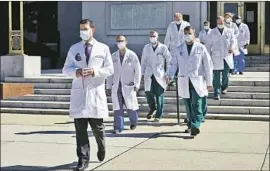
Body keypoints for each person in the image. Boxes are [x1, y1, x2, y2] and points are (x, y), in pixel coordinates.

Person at [62, 19, 114, 171]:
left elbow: (110, 69)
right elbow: (66, 69)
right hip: (79, 94)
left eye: (85, 29)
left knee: (97, 128)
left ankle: (101, 144)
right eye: (81, 29)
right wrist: (76, 72)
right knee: (80, 131)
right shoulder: (74, 48)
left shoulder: (103, 48)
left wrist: (95, 71)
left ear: (93, 30)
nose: (82, 32)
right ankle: (83, 160)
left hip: (95, 93)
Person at [167, 26, 213, 136]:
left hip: (197, 79)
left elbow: (208, 65)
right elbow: (174, 63)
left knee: (196, 104)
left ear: (194, 34)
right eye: (186, 33)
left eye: (190, 33)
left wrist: (209, 82)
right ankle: (191, 124)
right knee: (188, 105)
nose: (187, 35)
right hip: (184, 79)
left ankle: (195, 126)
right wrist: (170, 75)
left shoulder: (200, 47)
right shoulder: (179, 49)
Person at [106, 35, 141, 134]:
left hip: (129, 85)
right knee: (117, 107)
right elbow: (110, 73)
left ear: (126, 42)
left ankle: (134, 121)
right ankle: (118, 127)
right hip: (116, 86)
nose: (119, 43)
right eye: (118, 41)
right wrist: (108, 86)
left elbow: (137, 71)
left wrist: (137, 84)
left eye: (121, 41)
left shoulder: (132, 55)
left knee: (131, 106)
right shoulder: (113, 56)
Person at [141, 30, 172, 122]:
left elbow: (169, 60)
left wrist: (168, 74)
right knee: (148, 93)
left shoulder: (163, 47)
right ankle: (152, 108)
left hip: (159, 74)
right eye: (150, 36)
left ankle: (158, 114)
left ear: (157, 37)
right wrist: (142, 74)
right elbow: (143, 61)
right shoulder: (146, 47)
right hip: (148, 73)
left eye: (154, 36)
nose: (152, 37)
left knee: (159, 95)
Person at [205, 16, 236, 100]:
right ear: (217, 22)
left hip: (226, 56)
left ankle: (224, 87)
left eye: (222, 22)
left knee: (225, 74)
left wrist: (232, 48)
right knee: (216, 76)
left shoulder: (229, 31)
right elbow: (208, 45)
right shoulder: (212, 32)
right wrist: (207, 56)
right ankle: (217, 92)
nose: (221, 23)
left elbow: (233, 41)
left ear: (224, 22)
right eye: (219, 22)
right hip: (216, 57)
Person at [164, 13, 190, 86]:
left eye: (179, 17)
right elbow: (168, 36)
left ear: (181, 17)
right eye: (176, 17)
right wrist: (166, 47)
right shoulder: (171, 25)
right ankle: (171, 79)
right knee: (172, 64)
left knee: (182, 64)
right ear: (174, 18)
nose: (177, 19)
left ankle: (181, 79)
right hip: (173, 47)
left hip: (183, 47)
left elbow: (189, 35)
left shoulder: (186, 24)